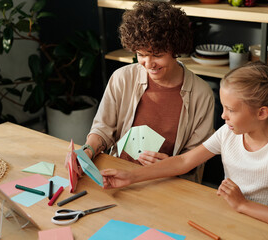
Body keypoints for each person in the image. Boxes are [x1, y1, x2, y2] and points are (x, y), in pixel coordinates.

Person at [100, 62, 268, 236]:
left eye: (230, 110)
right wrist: (130, 176)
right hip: (223, 219)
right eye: (223, 107)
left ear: (262, 113)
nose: (223, 116)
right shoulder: (229, 133)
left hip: (255, 229)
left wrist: (242, 205)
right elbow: (184, 162)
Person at [66, 1, 214, 183]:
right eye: (141, 54)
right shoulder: (122, 78)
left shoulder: (201, 94)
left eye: (157, 55)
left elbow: (196, 158)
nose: (148, 64)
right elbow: (103, 129)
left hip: (166, 182)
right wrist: (87, 151)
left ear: (176, 49)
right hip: (117, 174)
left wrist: (170, 165)